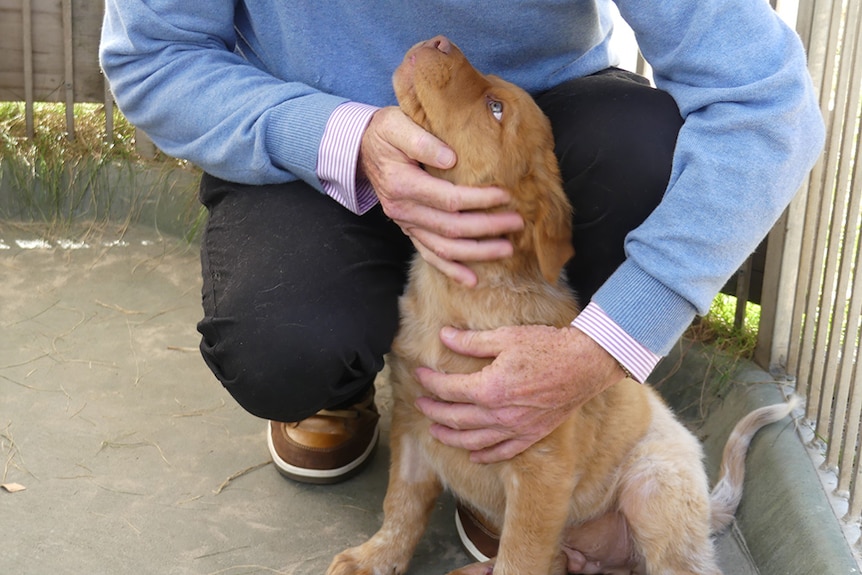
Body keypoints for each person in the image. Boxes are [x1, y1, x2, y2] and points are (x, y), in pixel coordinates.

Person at [100, 2, 824, 572]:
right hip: (308, 140)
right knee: (281, 338)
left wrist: (613, 337)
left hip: (533, 125)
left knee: (642, 151)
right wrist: (342, 138)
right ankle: (348, 385)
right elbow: (152, 56)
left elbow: (767, 100)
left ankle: (520, 419)